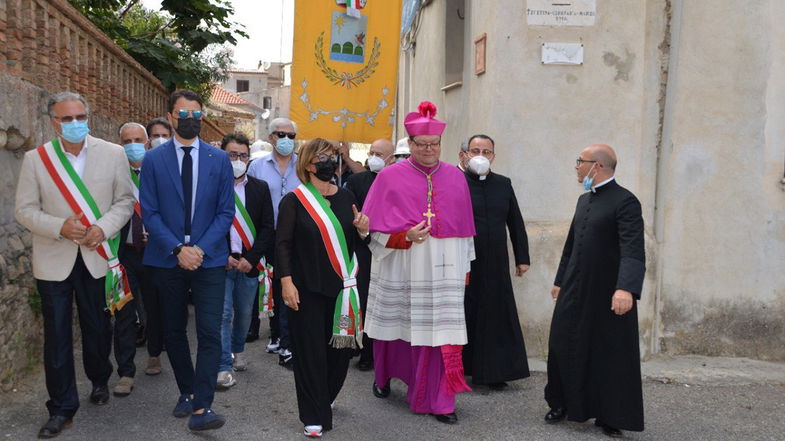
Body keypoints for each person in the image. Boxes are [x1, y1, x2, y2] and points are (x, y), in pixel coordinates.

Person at [15, 92, 135, 438]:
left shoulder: (113, 154)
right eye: (66, 119)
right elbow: (24, 210)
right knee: (56, 335)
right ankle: (61, 407)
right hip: (54, 258)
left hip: (96, 256)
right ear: (53, 122)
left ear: (88, 117)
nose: (75, 124)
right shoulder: (36, 159)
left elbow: (124, 201)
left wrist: (103, 228)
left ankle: (99, 378)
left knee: (97, 327)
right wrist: (59, 227)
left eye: (80, 117)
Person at [362, 102, 476, 424]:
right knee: (397, 326)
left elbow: (465, 231)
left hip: (445, 269)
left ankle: (440, 400)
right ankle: (383, 376)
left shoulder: (456, 177)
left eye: (435, 144)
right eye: (422, 144)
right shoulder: (388, 177)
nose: (429, 150)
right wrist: (405, 235)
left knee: (441, 333)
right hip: (404, 263)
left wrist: (465, 270)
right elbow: (372, 230)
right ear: (410, 145)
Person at [139, 89, 234, 431]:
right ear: (171, 116)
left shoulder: (219, 159)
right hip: (167, 258)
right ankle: (187, 391)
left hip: (208, 260)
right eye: (183, 114)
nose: (190, 121)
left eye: (196, 115)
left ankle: (202, 406)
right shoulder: (153, 160)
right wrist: (179, 249)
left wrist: (200, 250)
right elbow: (149, 212)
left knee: (209, 332)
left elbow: (225, 213)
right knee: (173, 330)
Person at [544, 144, 646, 438]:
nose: (576, 166)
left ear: (596, 166)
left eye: (580, 161)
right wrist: (560, 280)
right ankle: (561, 403)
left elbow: (633, 249)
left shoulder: (626, 202)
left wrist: (626, 288)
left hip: (608, 292)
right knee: (562, 343)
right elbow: (571, 246)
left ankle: (610, 415)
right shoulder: (583, 201)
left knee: (608, 352)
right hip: (575, 287)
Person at [277, 138, 370, 438]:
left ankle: (325, 395)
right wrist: (286, 281)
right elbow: (282, 245)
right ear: (307, 164)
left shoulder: (347, 197)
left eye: (332, 157)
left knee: (339, 353)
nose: (329, 162)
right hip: (306, 290)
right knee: (310, 354)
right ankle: (314, 414)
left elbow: (356, 244)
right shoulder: (294, 201)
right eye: (322, 157)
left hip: (343, 291)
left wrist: (364, 231)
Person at [460, 134, 531, 390]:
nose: (481, 155)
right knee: (466, 312)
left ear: (493, 156)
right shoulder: (456, 182)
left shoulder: (503, 183)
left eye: (487, 151)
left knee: (495, 314)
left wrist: (522, 258)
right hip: (465, 261)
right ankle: (462, 368)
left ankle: (493, 372)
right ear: (464, 155)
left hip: (496, 262)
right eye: (475, 150)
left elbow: (515, 221)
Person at [216, 133, 274, 389]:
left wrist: (251, 259)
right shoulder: (213, 185)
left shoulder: (259, 188)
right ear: (223, 155)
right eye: (232, 155)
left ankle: (238, 349)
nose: (238, 160)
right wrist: (223, 255)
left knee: (243, 315)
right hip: (221, 263)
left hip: (249, 265)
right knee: (223, 313)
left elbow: (267, 228)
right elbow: (206, 225)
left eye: (242, 155)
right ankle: (222, 366)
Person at [246, 117, 301, 367]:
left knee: (288, 284)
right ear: (270, 138)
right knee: (270, 284)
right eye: (281, 135)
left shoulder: (303, 166)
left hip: (295, 236)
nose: (286, 140)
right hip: (266, 234)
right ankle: (274, 333)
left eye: (291, 136)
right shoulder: (256, 166)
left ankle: (287, 340)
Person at [343, 138, 394, 371]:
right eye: (371, 152)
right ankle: (359, 348)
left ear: (391, 159)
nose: (373, 157)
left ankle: (375, 353)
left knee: (382, 301)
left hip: (389, 249)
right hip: (361, 249)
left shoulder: (396, 182)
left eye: (379, 154)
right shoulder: (356, 181)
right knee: (361, 298)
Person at [110, 122, 152, 397]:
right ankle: (125, 372)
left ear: (147, 143)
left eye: (138, 139)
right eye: (127, 141)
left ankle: (156, 353)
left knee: (156, 309)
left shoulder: (158, 172)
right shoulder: (111, 172)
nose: (133, 145)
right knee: (123, 314)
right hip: (122, 252)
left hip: (156, 252)